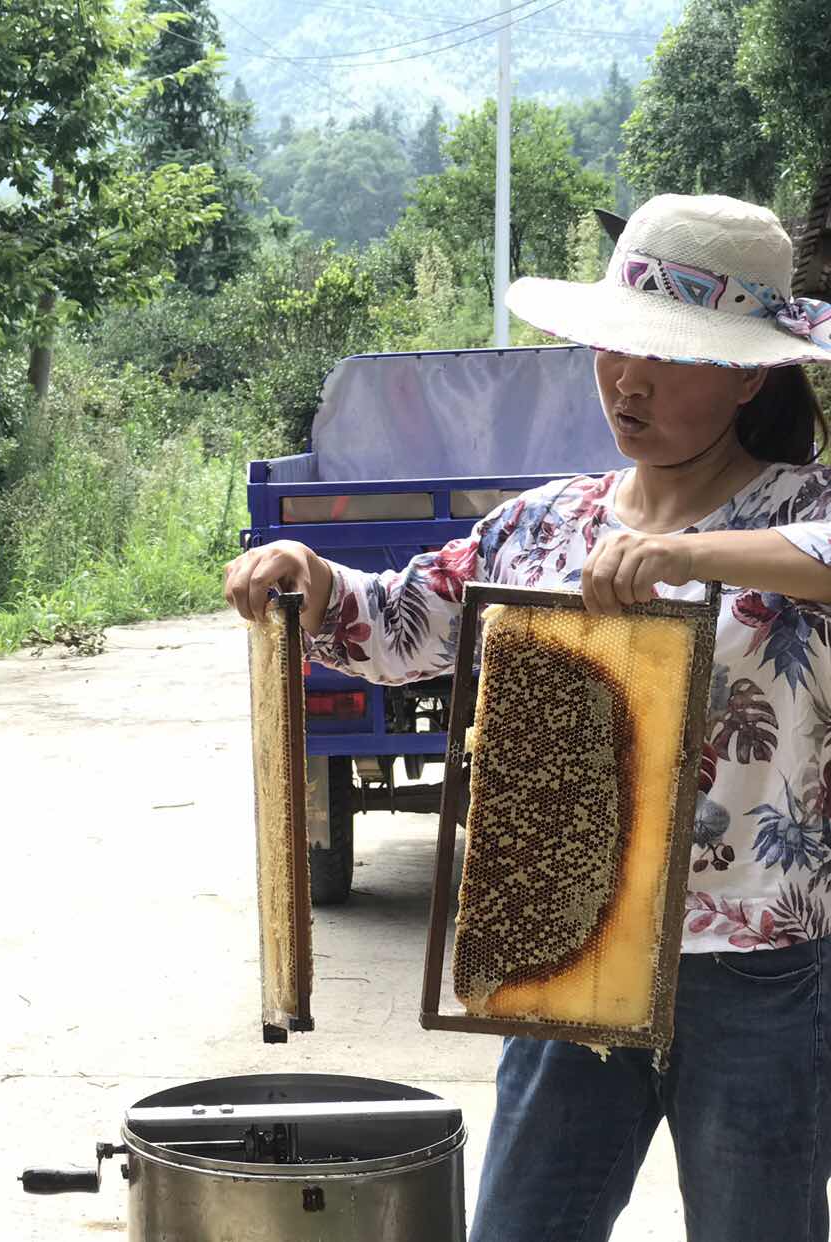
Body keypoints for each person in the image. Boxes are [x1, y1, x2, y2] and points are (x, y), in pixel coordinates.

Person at [225, 193, 831, 1240]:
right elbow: (401, 623)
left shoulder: (801, 510)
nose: (628, 381)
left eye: (669, 357)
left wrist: (683, 554)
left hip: (757, 972)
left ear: (747, 377)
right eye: (617, 347)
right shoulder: (545, 525)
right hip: (564, 944)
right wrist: (311, 577)